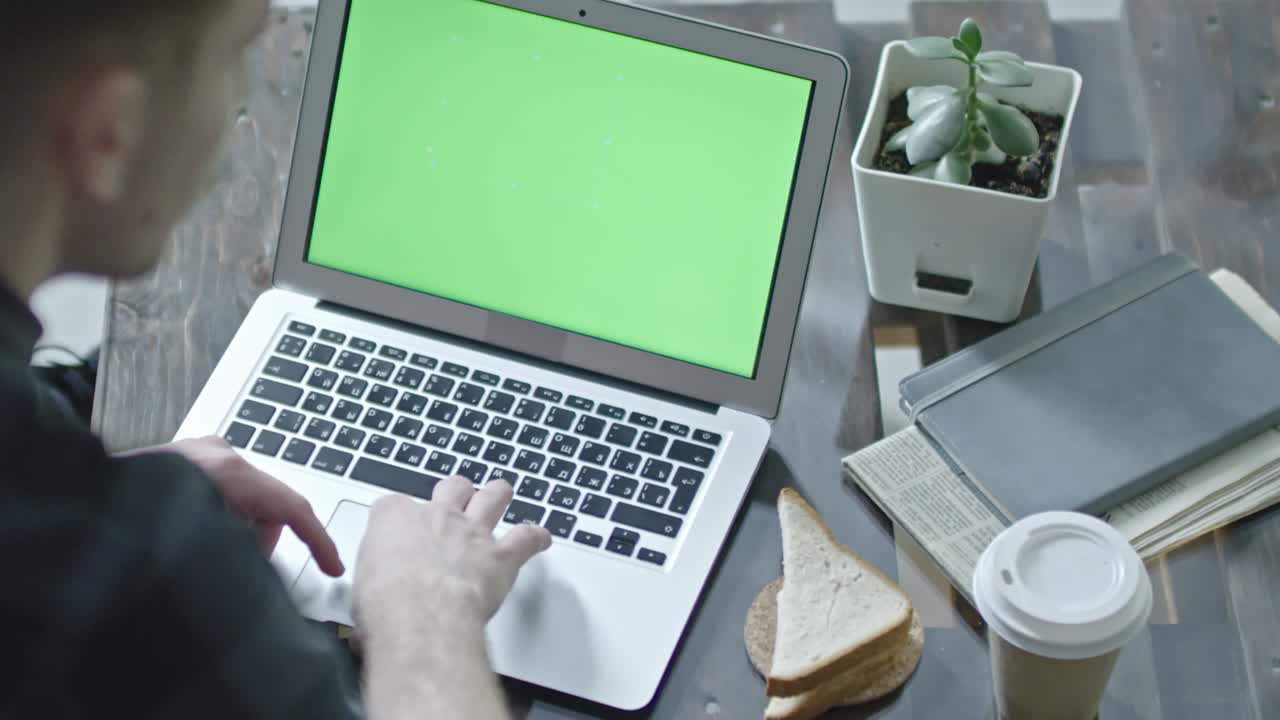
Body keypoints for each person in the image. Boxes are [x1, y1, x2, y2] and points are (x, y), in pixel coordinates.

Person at [0, 2, 553, 718]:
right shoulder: (145, 588)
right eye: (234, 59)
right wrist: (425, 613)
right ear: (110, 131)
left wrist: (118, 487)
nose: (240, 108)